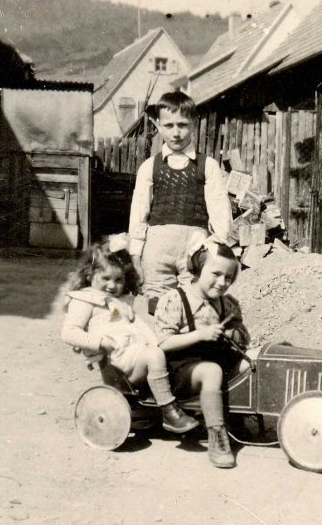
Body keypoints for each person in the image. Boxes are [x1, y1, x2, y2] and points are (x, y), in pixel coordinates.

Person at [61, 235, 199, 434]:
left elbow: (133, 325)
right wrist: (99, 342)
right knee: (155, 355)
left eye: (118, 280)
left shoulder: (118, 301)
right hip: (117, 360)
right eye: (105, 279)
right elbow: (69, 332)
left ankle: (181, 401)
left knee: (170, 351)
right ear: (90, 274)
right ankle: (169, 410)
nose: (112, 285)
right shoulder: (85, 300)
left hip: (131, 355)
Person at [154, 235, 256, 469]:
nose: (222, 282)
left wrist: (234, 334)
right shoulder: (175, 299)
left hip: (217, 359)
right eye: (216, 274)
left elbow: (243, 337)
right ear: (198, 269)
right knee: (212, 372)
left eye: (229, 277)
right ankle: (217, 435)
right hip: (182, 369)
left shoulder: (227, 302)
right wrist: (199, 334)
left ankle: (240, 417)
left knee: (258, 359)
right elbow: (162, 343)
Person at [129, 91, 232, 317]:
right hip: (156, 248)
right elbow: (138, 213)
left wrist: (214, 247)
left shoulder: (208, 166)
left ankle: (189, 347)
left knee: (194, 302)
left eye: (182, 125)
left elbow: (219, 210)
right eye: (169, 125)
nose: (176, 133)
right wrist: (135, 256)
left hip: (194, 247)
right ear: (158, 125)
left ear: (194, 124)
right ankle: (160, 346)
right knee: (155, 302)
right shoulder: (149, 166)